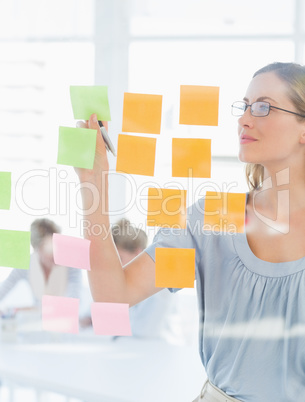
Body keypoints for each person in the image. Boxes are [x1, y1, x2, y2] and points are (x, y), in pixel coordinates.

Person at [75, 62, 305, 401]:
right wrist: (93, 183)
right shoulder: (213, 217)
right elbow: (114, 295)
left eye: (263, 107)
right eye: (244, 106)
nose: (244, 118)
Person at [0, 218, 81, 309]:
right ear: (36, 248)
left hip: (66, 317)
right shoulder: (26, 264)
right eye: (49, 247)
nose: (54, 253)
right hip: (38, 319)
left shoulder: (72, 264)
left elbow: (74, 300)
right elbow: (4, 289)